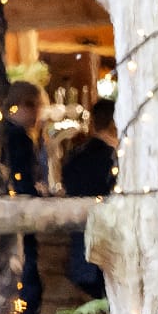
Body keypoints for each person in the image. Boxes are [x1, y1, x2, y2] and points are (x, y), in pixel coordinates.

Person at [0, 81, 45, 314]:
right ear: (21, 106)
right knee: (28, 288)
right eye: (35, 106)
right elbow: (22, 183)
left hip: (5, 222)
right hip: (18, 222)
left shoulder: (2, 134)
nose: (38, 113)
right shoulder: (18, 138)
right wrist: (40, 197)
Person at [61, 97, 118, 300]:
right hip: (109, 250)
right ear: (115, 124)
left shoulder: (76, 155)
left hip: (80, 251)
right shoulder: (115, 159)